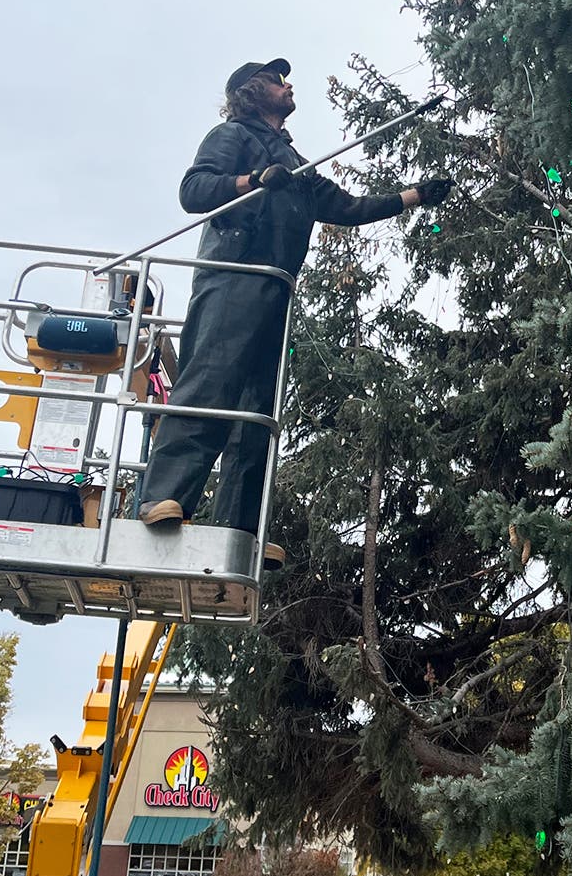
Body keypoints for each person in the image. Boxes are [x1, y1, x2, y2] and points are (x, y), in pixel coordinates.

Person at [139, 57, 450, 563]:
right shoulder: (231, 135)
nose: (289, 85)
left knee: (257, 411)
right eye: (279, 79)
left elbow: (347, 207)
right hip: (233, 277)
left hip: (275, 289)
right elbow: (193, 190)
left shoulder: (295, 163)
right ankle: (160, 498)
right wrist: (253, 180)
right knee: (210, 386)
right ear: (251, 90)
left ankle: (240, 532)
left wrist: (414, 196)